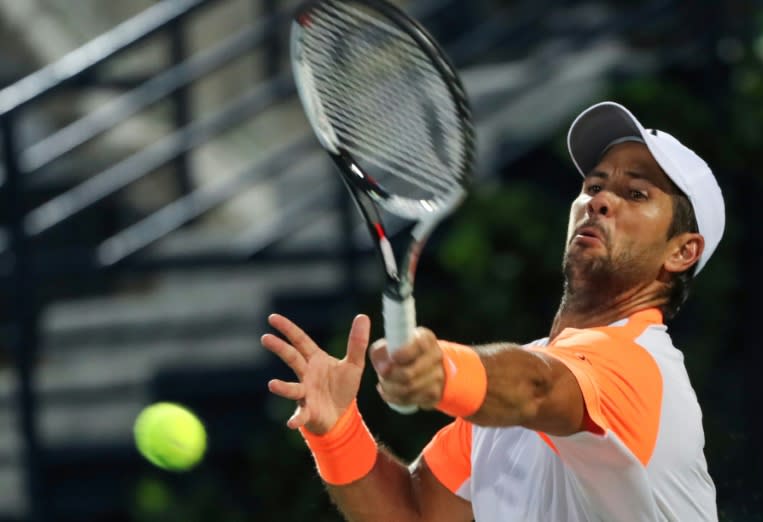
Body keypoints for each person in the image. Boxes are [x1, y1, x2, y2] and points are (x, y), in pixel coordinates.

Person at [261, 101, 723, 521]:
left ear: (682, 252)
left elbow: (539, 387)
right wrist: (338, 430)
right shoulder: (505, 406)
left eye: (636, 194)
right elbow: (415, 514)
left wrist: (441, 371)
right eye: (593, 185)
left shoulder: (639, 367)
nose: (598, 200)